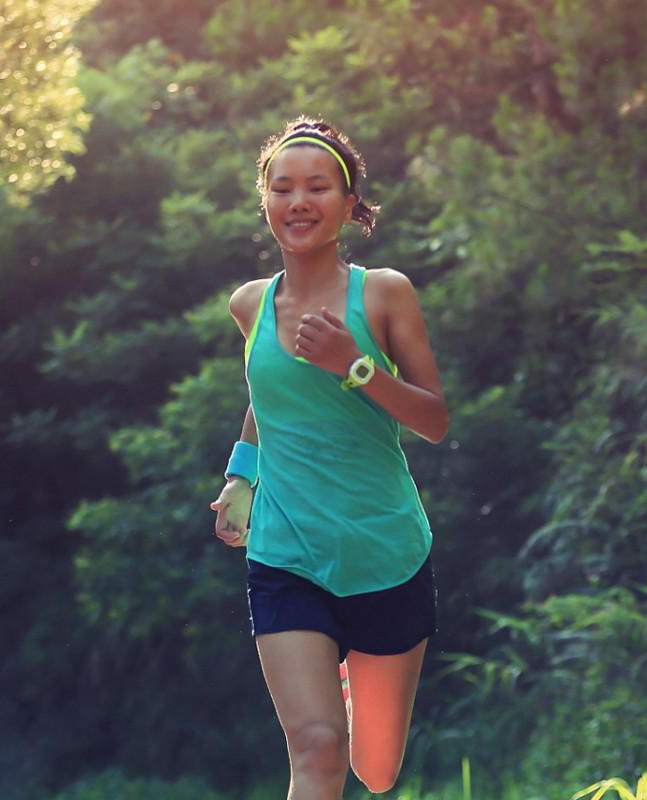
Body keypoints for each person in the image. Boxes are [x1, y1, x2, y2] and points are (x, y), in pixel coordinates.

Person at [209, 117, 448, 800]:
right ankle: (324, 676)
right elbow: (270, 395)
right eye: (282, 188)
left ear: (348, 205)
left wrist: (355, 365)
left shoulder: (383, 293)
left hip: (384, 552)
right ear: (265, 202)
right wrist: (241, 475)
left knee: (375, 768)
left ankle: (348, 675)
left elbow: (433, 420)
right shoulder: (250, 304)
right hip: (286, 553)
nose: (298, 202)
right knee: (317, 746)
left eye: (317, 187)